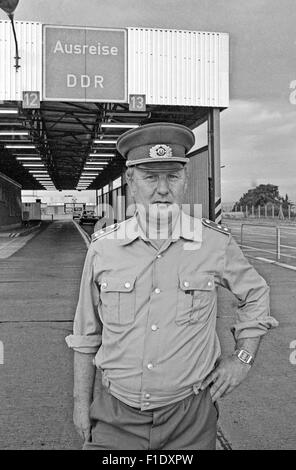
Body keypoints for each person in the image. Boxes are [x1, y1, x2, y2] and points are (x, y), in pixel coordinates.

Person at [65, 122, 278, 450]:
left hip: (189, 419)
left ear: (184, 180)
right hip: (115, 415)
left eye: (172, 176)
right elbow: (86, 335)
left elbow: (256, 293)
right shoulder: (104, 248)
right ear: (131, 182)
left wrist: (243, 358)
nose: (162, 189)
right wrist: (81, 404)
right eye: (151, 177)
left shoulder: (213, 243)